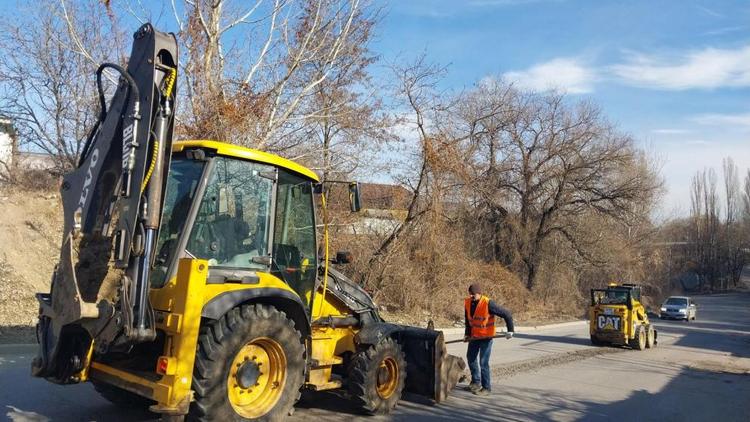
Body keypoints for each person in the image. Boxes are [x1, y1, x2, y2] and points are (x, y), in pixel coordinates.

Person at [464, 283, 514, 396]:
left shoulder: (488, 303)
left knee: (483, 362)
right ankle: (476, 382)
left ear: (479, 293)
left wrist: (510, 330)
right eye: (470, 294)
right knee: (471, 358)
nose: (471, 296)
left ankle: (486, 388)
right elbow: (468, 320)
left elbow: (506, 314)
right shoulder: (467, 302)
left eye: (473, 294)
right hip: (474, 336)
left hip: (486, 337)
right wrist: (467, 334)